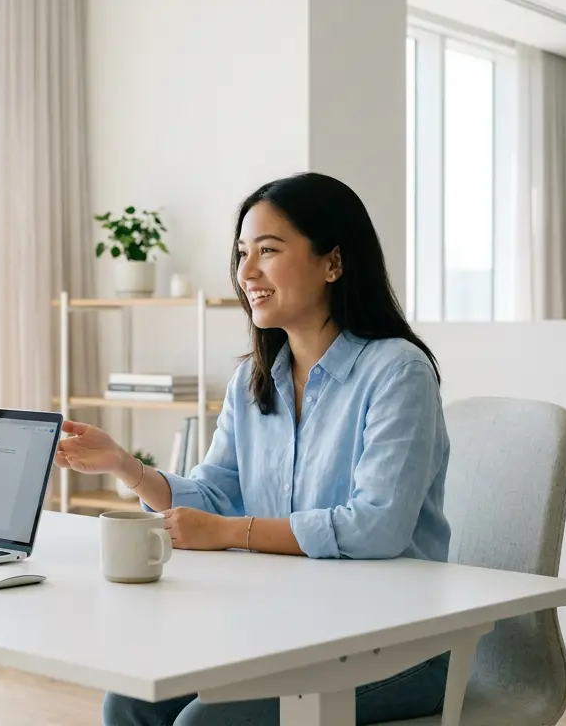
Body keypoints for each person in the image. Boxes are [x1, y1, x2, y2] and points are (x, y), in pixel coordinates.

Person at [55, 172, 453, 726]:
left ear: (333, 262)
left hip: (399, 648)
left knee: (203, 722)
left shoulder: (396, 372)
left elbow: (376, 527)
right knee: (128, 703)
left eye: (268, 251)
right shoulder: (253, 381)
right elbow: (216, 492)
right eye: (243, 253)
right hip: (288, 631)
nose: (246, 273)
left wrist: (229, 533)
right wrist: (126, 466)